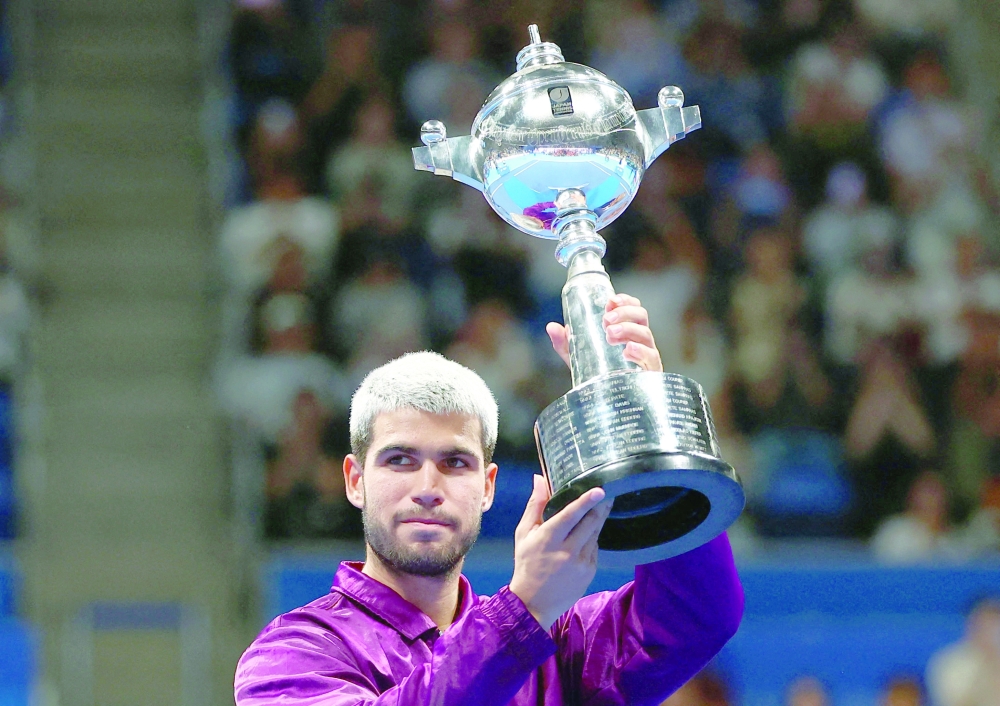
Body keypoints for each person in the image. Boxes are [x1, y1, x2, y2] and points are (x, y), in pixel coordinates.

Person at [234, 294, 745, 705]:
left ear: (488, 487)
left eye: (455, 463)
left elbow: (696, 617)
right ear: (354, 480)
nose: (428, 488)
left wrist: (650, 434)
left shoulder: (558, 651)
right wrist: (521, 612)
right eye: (399, 460)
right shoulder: (291, 655)